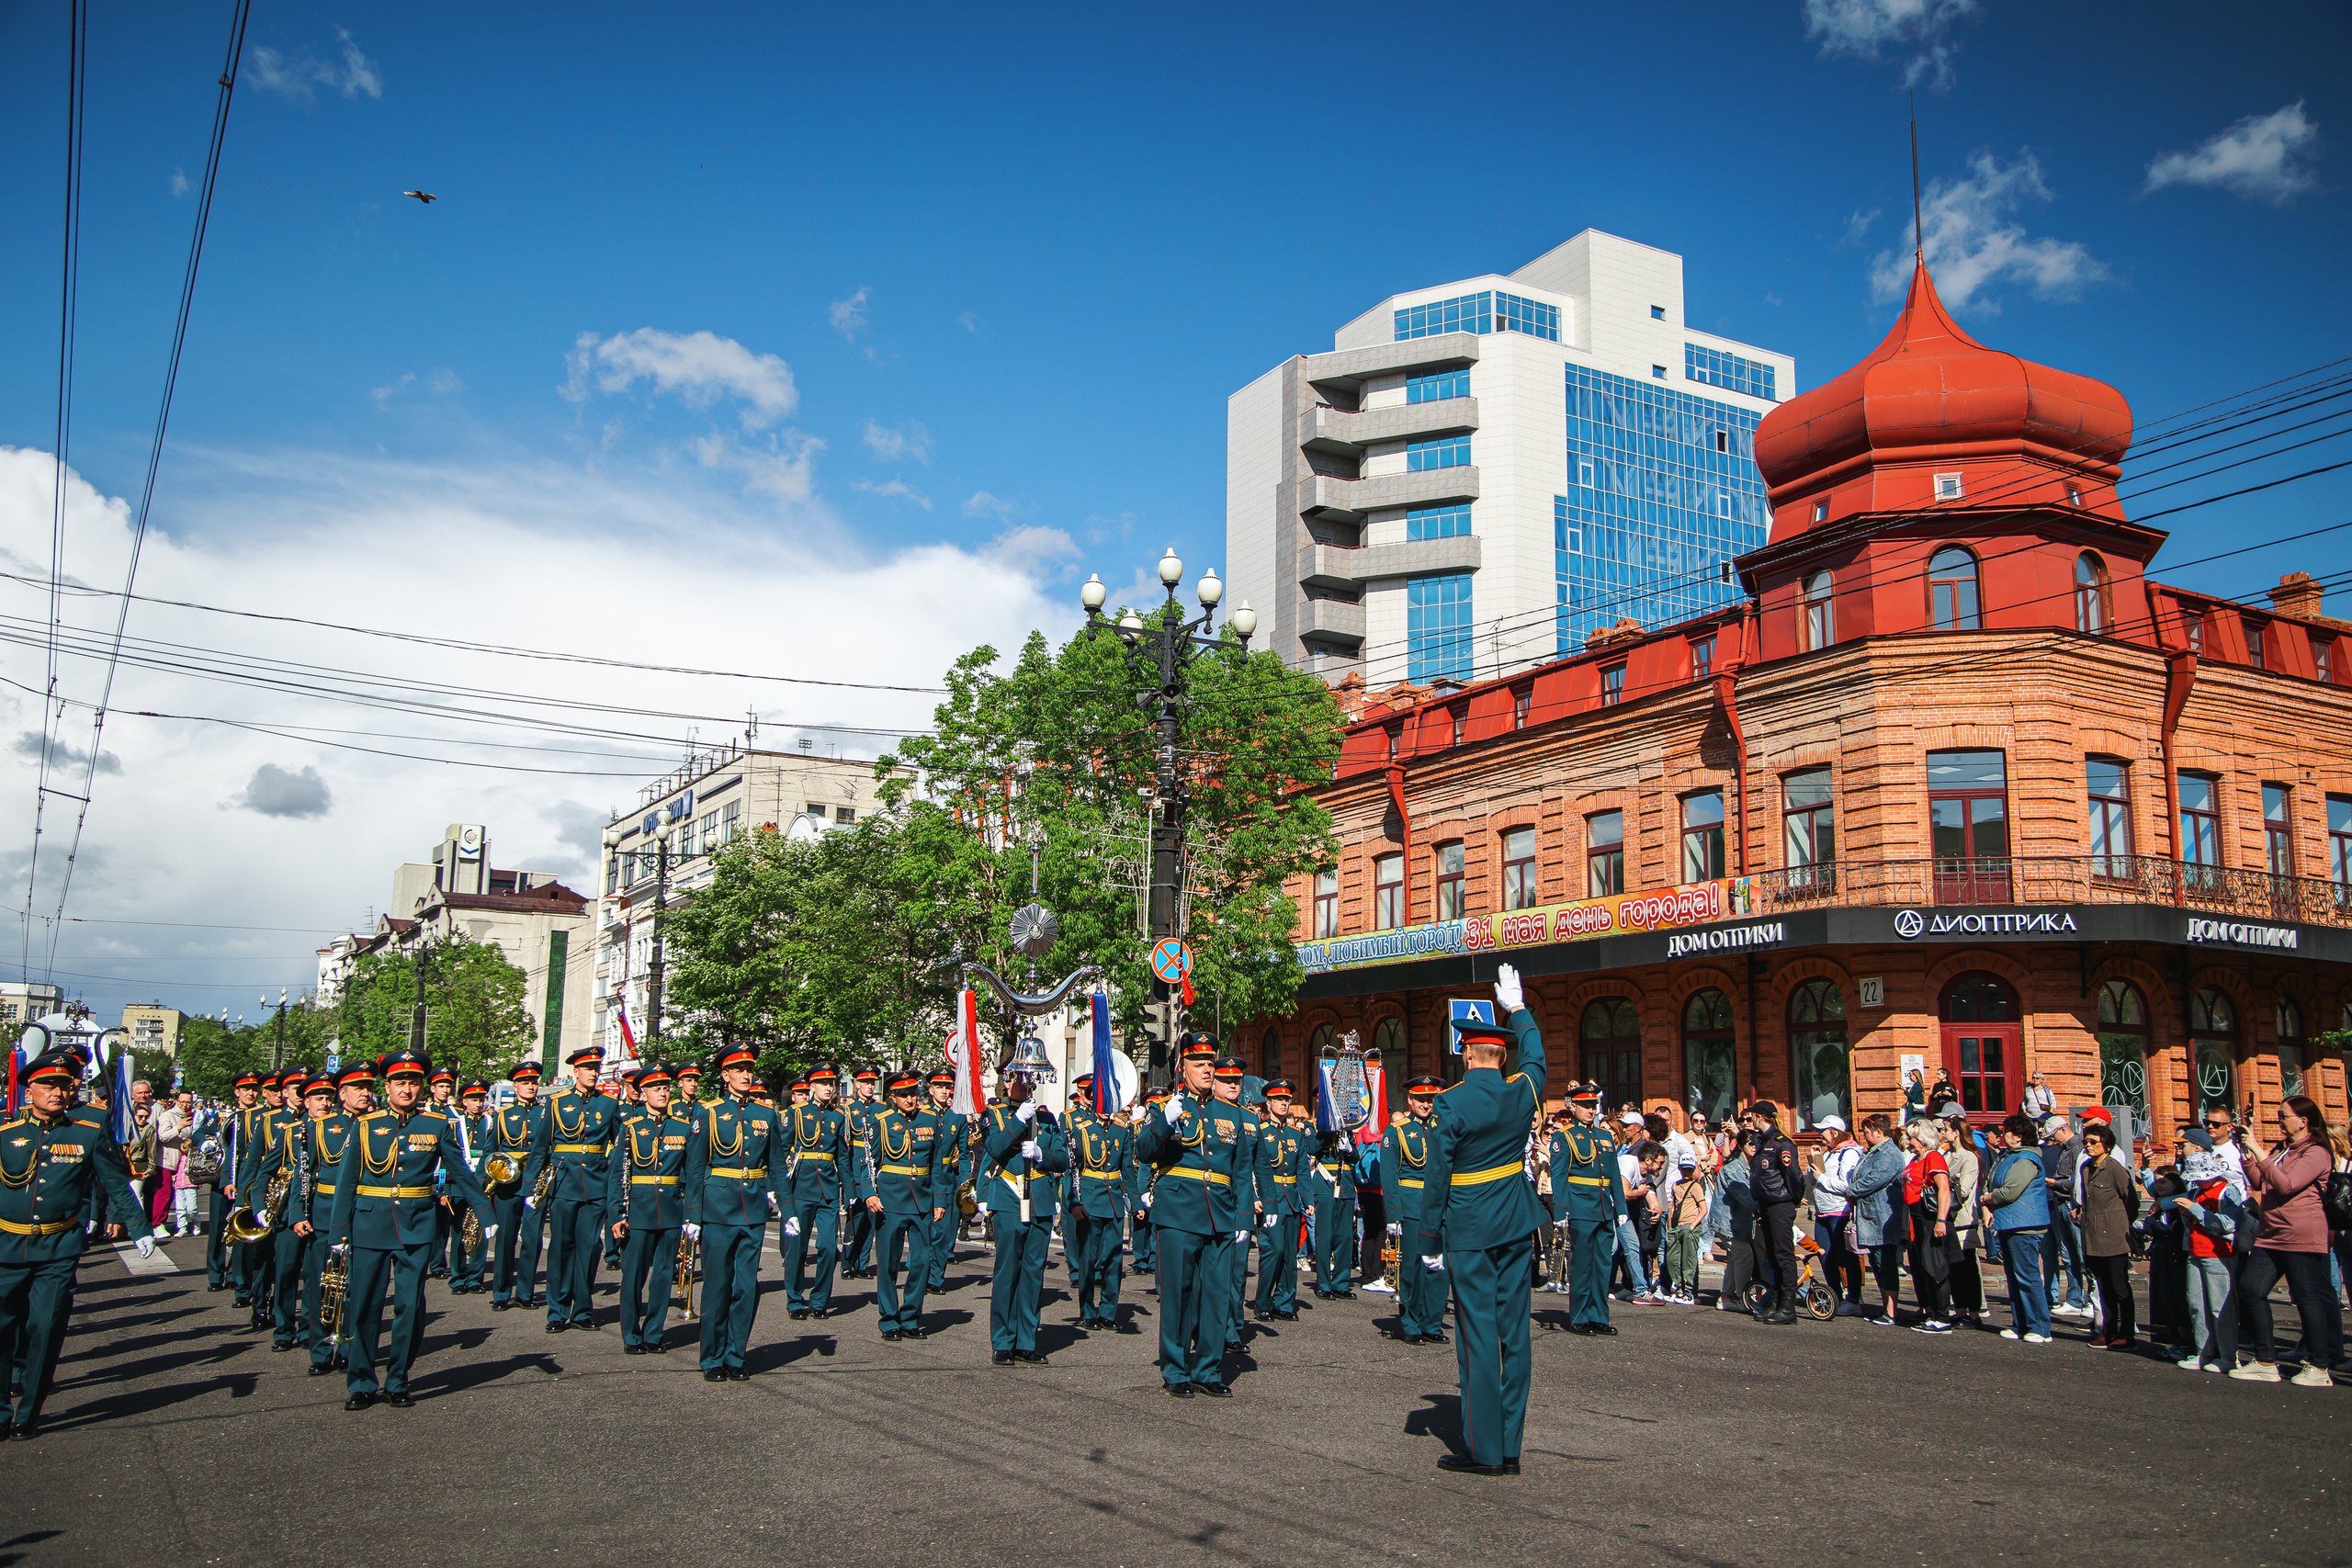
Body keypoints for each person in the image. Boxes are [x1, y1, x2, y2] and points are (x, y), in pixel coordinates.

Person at [1417, 963, 1544, 1477]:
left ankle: (1485, 1452)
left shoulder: (1449, 1103)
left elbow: (1437, 1179)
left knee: (1477, 1337)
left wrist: (1428, 1239)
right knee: (1515, 1335)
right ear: (1503, 1054)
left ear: (1466, 1052)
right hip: (1516, 1221)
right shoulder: (1523, 1092)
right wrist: (1518, 1008)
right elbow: (1537, 1056)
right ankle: (1510, 1446)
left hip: (1469, 1227)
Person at [325, 1051, 495, 1411]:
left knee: (409, 1307)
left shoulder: (436, 1126)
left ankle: (398, 1379)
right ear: (386, 1086)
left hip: (416, 1227)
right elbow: (347, 1182)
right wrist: (338, 1232)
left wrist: (484, 1210)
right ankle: (361, 1382)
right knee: (365, 1308)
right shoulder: (366, 1125)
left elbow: (461, 1171)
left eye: (414, 1083)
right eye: (400, 1082)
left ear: (422, 1087)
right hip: (369, 1224)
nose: (407, 1089)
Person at [0, 1050, 153, 1439]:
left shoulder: (89, 1128)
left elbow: (114, 1180)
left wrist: (139, 1227)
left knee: (45, 1328)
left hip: (58, 1247)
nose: (57, 1092)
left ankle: (28, 1412)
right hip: (6, 1245)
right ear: (28, 1088)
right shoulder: (4, 1132)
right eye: (48, 1085)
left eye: (65, 1085)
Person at [1134, 1032, 1255, 1395]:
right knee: (1179, 1295)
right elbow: (1144, 1151)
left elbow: (1241, 1170)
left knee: (1217, 1296)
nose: (1207, 1069)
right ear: (1182, 1067)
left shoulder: (1231, 1113)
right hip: (1178, 1212)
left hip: (1219, 1213)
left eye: (1210, 1064)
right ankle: (1175, 1370)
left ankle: (1208, 1370)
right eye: (1199, 1064)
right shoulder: (1168, 1107)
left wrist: (1244, 1218)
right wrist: (1163, 1122)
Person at [681, 1046, 785, 1380]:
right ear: (725, 1076)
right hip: (717, 1209)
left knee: (746, 1287)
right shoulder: (708, 1112)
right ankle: (712, 1358)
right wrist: (693, 1215)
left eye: (748, 1069)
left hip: (753, 1209)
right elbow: (695, 1167)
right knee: (717, 1286)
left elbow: (778, 1166)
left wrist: (789, 1208)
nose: (745, 1074)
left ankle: (736, 1355)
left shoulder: (766, 1114)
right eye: (738, 1069)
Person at [2233, 1095, 2342, 1385]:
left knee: (2306, 1299)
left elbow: (2286, 1184)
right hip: (2271, 1234)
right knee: (2251, 1289)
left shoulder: (2316, 1152)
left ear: (2303, 1121)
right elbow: (2259, 1180)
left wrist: (2259, 1150)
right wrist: (2248, 1152)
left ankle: (2319, 1367)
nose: (2279, 1120)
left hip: (2301, 1235)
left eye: (2283, 1116)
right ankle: (2266, 1361)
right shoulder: (2284, 1149)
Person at [980, 1047, 1069, 1369]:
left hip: (1041, 1199)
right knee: (1008, 1271)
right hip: (1008, 1197)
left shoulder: (1048, 1119)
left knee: (1033, 1273)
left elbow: (1064, 1159)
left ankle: (1026, 1341)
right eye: (1017, 1077)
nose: (1024, 1083)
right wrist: (1017, 1122)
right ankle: (1003, 1340)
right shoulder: (996, 1114)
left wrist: (1043, 1154)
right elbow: (994, 1148)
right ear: (1006, 1082)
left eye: (1029, 1077)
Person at [850, 1068, 952, 1343]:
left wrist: (940, 1198)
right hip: (890, 1200)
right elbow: (867, 1162)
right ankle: (889, 1319)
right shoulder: (880, 1121)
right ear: (893, 1097)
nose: (910, 1099)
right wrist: (869, 1193)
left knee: (919, 1262)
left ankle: (910, 1317)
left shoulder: (931, 1119)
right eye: (903, 1095)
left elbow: (937, 1164)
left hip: (921, 1199)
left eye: (913, 1094)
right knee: (888, 1263)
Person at [293, 1064, 373, 1377]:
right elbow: (303, 1175)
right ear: (343, 1094)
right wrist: (298, 1212)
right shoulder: (320, 1127)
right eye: (358, 1088)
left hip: (362, 1215)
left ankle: (350, 1349)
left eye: (368, 1088)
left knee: (356, 1287)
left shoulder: (379, 1124)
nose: (366, 1093)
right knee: (321, 1285)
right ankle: (322, 1349)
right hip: (324, 1214)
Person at [608, 1065, 690, 1355]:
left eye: (666, 1088)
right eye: (656, 1089)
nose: (663, 1093)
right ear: (643, 1094)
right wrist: (616, 1213)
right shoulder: (630, 1128)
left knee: (663, 1276)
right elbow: (618, 1174)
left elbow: (690, 1173)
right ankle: (631, 1335)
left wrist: (691, 1213)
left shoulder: (682, 1128)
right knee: (633, 1276)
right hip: (639, 1210)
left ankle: (654, 1333)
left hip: (669, 1209)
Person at [1546, 1082, 1622, 1334]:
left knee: (1603, 1265)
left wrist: (1620, 1207)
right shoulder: (1563, 1136)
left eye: (1594, 1106)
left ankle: (1599, 1315)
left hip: (1603, 1207)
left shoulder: (1604, 1135)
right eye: (1585, 1106)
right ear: (1573, 1106)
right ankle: (1579, 1317)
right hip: (1580, 1206)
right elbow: (1559, 1176)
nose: (1591, 1110)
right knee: (1582, 1265)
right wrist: (1561, 1211)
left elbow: (1613, 1173)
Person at [1379, 1077, 1446, 1341]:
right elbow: (1389, 1175)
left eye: (1430, 1100)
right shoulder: (1397, 1131)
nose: (1426, 1104)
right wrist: (1394, 1213)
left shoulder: (1442, 1129)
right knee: (1413, 1267)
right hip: (1412, 1206)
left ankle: (1433, 1323)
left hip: (1439, 1207)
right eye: (1420, 1099)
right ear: (1410, 1100)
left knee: (1439, 1270)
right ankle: (1411, 1323)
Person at [782, 1065, 850, 1320]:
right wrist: (777, 1188)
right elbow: (782, 1150)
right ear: (811, 1087)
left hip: (828, 1189)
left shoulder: (838, 1116)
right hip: (801, 1186)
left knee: (829, 1248)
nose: (829, 1088)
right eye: (823, 1084)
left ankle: (820, 1300)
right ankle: (795, 1299)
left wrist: (850, 1189)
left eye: (831, 1083)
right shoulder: (796, 1113)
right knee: (797, 1248)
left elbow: (842, 1156)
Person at [482, 1060, 548, 1312]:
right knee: (506, 1240)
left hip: (535, 1184)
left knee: (532, 1240)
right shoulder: (501, 1116)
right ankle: (500, 1292)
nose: (530, 1086)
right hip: (508, 1185)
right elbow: (490, 1151)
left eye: (533, 1082)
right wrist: (486, 1181)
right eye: (525, 1082)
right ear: (515, 1086)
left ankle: (525, 1292)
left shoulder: (545, 1112)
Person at [2175, 1143, 2245, 1373]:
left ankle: (2228, 1357)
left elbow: (2229, 1224)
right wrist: (2188, 1214)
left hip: (2219, 1255)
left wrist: (2195, 1210)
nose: (2195, 1181)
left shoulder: (2227, 1190)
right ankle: (2203, 1352)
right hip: (2195, 1252)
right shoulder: (2196, 1191)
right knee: (2197, 1305)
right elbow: (2194, 1223)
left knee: (2220, 1308)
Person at [1983, 1112, 2052, 1344]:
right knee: (2014, 1277)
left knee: (2028, 1276)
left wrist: (1988, 1199)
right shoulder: (2007, 1156)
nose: (2003, 1135)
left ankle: (2039, 1327)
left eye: (2008, 1131)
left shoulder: (2026, 1159)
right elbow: (1991, 1180)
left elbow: (2010, 1191)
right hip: (2009, 1222)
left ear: (2020, 1137)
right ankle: (2020, 1323)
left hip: (2025, 1225)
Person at [1255, 1079, 1312, 1324]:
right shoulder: (1259, 1131)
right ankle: (1263, 1302)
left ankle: (1285, 1302)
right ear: (1269, 1103)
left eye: (1287, 1100)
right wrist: (1255, 1197)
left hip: (1290, 1199)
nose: (1284, 1104)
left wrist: (1307, 1198)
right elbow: (1251, 1169)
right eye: (1279, 1100)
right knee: (1273, 1250)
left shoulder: (1295, 1135)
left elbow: (1302, 1169)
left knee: (1290, 1254)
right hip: (1270, 1199)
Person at [2078, 1122, 2139, 1351]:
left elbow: (2130, 1200)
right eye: (2086, 1141)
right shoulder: (2086, 1167)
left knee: (2120, 1287)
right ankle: (2109, 1331)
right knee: (2103, 1287)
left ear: (2107, 1145)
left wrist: (2120, 1224)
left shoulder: (2114, 1169)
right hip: (2092, 1238)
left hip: (2113, 1238)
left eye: (2094, 1142)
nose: (2089, 1145)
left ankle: (2127, 1334)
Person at [1747, 1101, 1804, 1325]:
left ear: (1761, 1117)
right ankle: (1777, 1301)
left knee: (1783, 1256)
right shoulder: (1762, 1142)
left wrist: (1793, 1200)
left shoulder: (1782, 1143)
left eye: (1752, 1116)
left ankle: (1788, 1306)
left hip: (1780, 1204)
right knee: (1772, 1256)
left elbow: (1794, 1177)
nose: (1750, 1120)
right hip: (1767, 1205)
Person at [1903, 1118, 1954, 1333]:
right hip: (1915, 1217)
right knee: (1924, 1267)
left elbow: (1943, 1189)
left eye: (1911, 1137)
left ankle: (1942, 1316)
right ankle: (1933, 1313)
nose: (1908, 1141)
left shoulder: (1933, 1158)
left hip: (1929, 1217)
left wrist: (1941, 1220)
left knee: (1936, 1267)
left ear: (1922, 1139)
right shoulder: (1917, 1159)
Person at [1810, 1115, 1865, 1315]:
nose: (1819, 1135)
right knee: (1824, 1256)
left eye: (1823, 1131)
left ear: (1834, 1132)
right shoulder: (1829, 1153)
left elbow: (1846, 1185)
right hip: (1822, 1212)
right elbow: (1813, 1181)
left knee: (1846, 1257)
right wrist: (1816, 1160)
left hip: (1840, 1212)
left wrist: (1822, 1177)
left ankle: (1854, 1298)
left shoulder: (1849, 1153)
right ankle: (1835, 1296)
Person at [2039, 1113, 2090, 1319]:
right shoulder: (2067, 1149)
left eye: (2053, 1135)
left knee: (2078, 1252)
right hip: (2062, 1202)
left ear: (2062, 1129)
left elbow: (2076, 1181)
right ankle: (2074, 1298)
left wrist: (2054, 1183)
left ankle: (2083, 1299)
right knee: (2068, 1253)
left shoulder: (2077, 1148)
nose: (2053, 1140)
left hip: (2070, 1203)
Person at [1307, 1105, 1359, 1300]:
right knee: (1325, 1235)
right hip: (1324, 1181)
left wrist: (1350, 1147)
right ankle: (1324, 1283)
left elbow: (1355, 1158)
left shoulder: (1347, 1128)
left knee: (1345, 1236)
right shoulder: (1312, 1126)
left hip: (1344, 1182)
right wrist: (1327, 1132)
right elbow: (1311, 1148)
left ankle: (1341, 1282)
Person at [1940, 1111, 1985, 1328]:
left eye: (1945, 1129)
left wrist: (1946, 1182)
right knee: (1954, 1270)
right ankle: (1959, 1310)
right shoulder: (1948, 1154)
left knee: (1968, 1269)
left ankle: (1974, 1314)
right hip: (1948, 1219)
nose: (1942, 1133)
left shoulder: (1968, 1157)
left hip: (1963, 1220)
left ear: (1956, 1133)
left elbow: (1964, 1190)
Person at [839, 1067, 885, 1278]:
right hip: (856, 1168)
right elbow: (843, 1146)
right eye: (865, 1082)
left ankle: (863, 1264)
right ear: (856, 1084)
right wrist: (845, 1176)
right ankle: (847, 1262)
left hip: (875, 1169)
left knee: (871, 1219)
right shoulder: (848, 1110)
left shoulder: (882, 1109)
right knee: (855, 1218)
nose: (869, 1085)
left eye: (872, 1082)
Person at [924, 1068, 967, 1292]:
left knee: (942, 1234)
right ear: (930, 1090)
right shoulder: (921, 1115)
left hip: (948, 1178)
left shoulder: (957, 1117)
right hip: (924, 1180)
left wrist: (966, 1184)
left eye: (947, 1087)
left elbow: (965, 1153)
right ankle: (919, 1274)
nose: (943, 1091)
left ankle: (935, 1279)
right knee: (924, 1232)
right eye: (939, 1087)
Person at [1661, 1157, 1709, 1303]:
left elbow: (1704, 1209)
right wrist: (1670, 1226)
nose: (1687, 1172)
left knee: (1689, 1259)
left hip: (1689, 1225)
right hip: (1677, 1226)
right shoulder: (1676, 1185)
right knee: (1672, 1259)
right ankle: (1679, 1287)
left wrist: (1693, 1225)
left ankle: (1690, 1291)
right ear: (1680, 1169)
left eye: (1690, 1169)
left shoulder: (1696, 1187)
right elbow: (1674, 1206)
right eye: (1684, 1169)